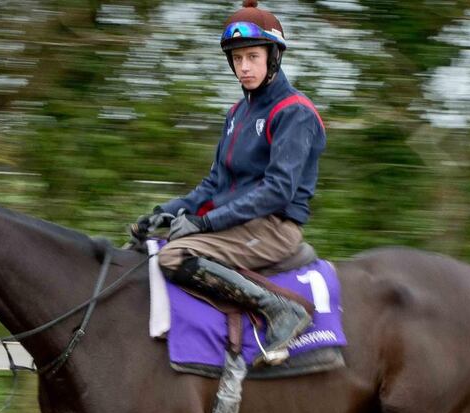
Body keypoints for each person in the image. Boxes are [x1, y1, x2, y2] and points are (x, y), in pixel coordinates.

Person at [135, 0, 327, 364]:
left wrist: (204, 222)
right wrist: (165, 212)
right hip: (237, 224)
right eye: (237, 59)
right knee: (149, 245)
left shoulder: (294, 113)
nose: (244, 67)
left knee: (175, 255)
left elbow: (276, 192)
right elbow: (213, 184)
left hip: (273, 227)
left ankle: (281, 310)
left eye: (252, 56)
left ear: (273, 57)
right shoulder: (237, 114)